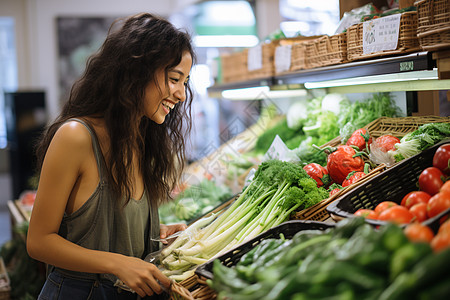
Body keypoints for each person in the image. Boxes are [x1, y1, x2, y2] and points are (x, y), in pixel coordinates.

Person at [26, 12, 196, 299]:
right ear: (137, 71)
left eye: (185, 82)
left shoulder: (138, 139)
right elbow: (39, 242)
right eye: (173, 78)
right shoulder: (76, 136)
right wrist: (118, 264)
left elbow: (105, 229)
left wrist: (155, 234)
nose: (180, 94)